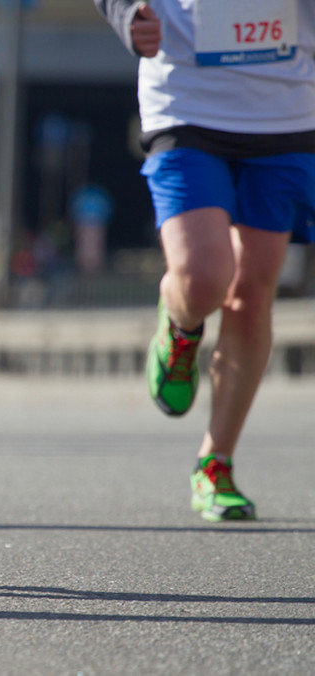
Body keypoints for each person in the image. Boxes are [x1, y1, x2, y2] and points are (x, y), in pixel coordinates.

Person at [96, 1, 315, 522]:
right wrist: (126, 12)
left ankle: (215, 463)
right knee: (203, 278)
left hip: (287, 111)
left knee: (253, 292)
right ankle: (180, 325)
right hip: (186, 104)